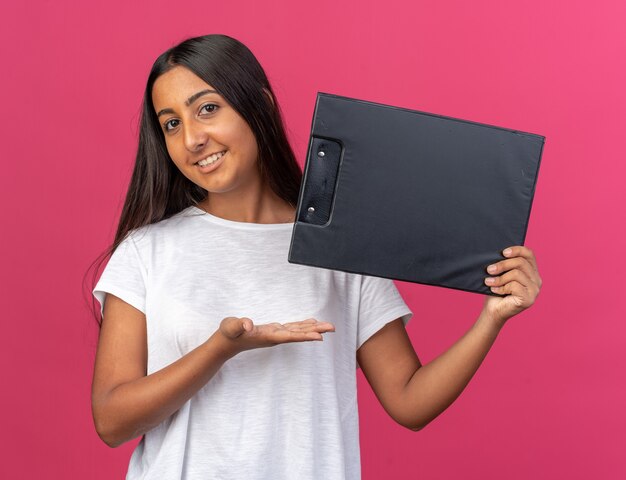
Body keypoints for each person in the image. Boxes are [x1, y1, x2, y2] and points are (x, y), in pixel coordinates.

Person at [90, 34, 542, 480]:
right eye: (171, 123)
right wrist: (219, 350)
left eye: (207, 108)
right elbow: (111, 421)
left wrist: (492, 319)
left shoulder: (341, 244)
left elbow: (409, 401)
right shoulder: (146, 252)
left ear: (260, 105)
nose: (191, 139)